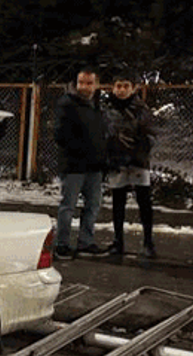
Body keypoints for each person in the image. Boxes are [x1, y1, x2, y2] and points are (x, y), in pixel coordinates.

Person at [52, 67, 109, 260]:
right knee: (68, 206)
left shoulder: (96, 106)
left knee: (93, 205)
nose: (84, 87)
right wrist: (80, 150)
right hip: (74, 165)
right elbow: (61, 134)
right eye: (81, 83)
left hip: (94, 165)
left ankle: (86, 241)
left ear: (96, 84)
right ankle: (62, 244)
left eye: (89, 83)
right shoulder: (67, 104)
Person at [102, 72, 156, 258]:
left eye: (126, 86)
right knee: (118, 202)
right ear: (113, 88)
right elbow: (103, 133)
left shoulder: (141, 109)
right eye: (118, 86)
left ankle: (148, 242)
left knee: (144, 202)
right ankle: (118, 241)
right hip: (116, 162)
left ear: (133, 88)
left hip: (137, 161)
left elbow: (150, 134)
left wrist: (139, 150)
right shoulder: (107, 109)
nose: (122, 90)